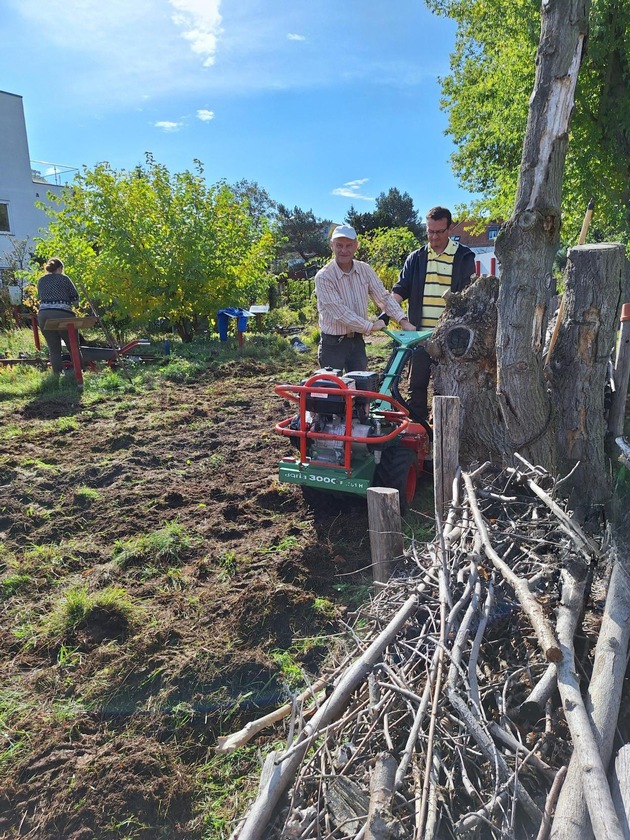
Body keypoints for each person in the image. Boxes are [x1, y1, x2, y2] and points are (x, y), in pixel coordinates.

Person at [390, 207, 476, 423]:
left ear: (449, 229)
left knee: (445, 387)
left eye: (439, 232)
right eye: (430, 232)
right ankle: (419, 432)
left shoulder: (464, 257)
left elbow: (469, 295)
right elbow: (401, 289)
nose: (434, 237)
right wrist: (388, 312)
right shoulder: (417, 258)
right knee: (416, 386)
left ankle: (443, 432)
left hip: (449, 339)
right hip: (419, 336)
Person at [315, 224, 416, 373]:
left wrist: (403, 320)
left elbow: (383, 297)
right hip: (333, 344)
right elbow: (340, 312)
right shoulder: (324, 277)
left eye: (349, 245)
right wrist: (370, 326)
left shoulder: (364, 270)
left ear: (356, 246)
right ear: (332, 246)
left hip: (357, 342)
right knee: (333, 391)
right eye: (339, 245)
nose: (344, 250)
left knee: (361, 387)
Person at [37, 258, 81, 375]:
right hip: (63, 315)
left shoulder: (41, 280)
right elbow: (75, 298)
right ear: (60, 268)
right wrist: (76, 305)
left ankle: (57, 374)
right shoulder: (64, 279)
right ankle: (79, 372)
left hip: (44, 315)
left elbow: (40, 297)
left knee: (54, 348)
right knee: (73, 346)